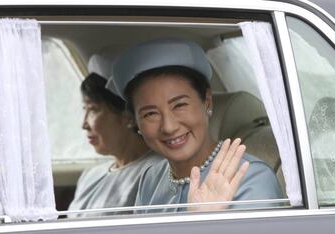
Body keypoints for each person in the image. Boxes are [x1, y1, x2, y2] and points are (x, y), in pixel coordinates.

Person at [112, 38, 283, 213]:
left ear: (207, 102)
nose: (169, 127)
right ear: (136, 123)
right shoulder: (150, 180)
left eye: (179, 105)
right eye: (150, 114)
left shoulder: (251, 178)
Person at [68, 73, 162, 216]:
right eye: (84, 109)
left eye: (93, 109)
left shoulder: (157, 174)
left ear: (128, 117)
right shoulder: (90, 175)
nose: (84, 124)